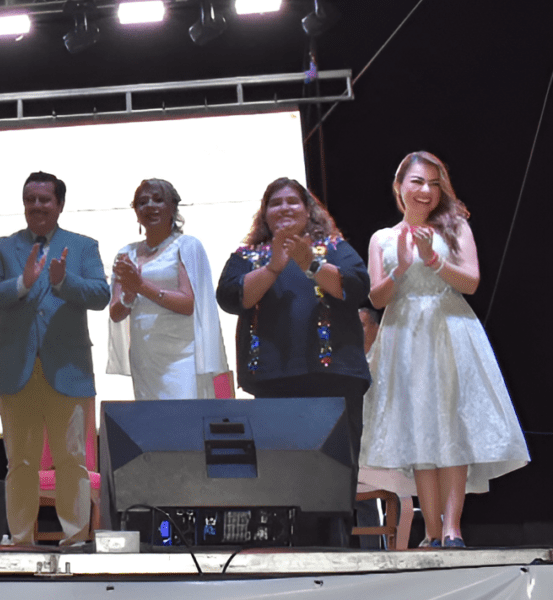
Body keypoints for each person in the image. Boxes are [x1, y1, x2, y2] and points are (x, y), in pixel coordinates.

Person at [359, 152, 529, 548]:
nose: (426, 191)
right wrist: (401, 268)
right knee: (419, 428)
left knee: (452, 425)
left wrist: (434, 260)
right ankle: (431, 531)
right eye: (418, 181)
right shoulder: (382, 238)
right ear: (400, 184)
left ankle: (452, 528)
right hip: (404, 335)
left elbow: (470, 282)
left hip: (450, 330)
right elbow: (378, 297)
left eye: (434, 184)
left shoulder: (455, 227)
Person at [216, 177, 370, 545]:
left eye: (292, 202)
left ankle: (337, 548)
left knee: (335, 468)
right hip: (274, 379)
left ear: (308, 210)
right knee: (278, 467)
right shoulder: (247, 256)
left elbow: (356, 288)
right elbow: (232, 297)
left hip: (335, 379)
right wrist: (273, 266)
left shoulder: (334, 247)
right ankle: (285, 547)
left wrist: (311, 263)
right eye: (275, 203)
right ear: (265, 214)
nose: (284, 208)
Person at [0, 171, 110, 547]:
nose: (37, 206)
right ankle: (20, 540)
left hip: (67, 367)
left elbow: (101, 295)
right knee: (21, 461)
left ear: (59, 204)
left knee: (71, 459)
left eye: (44, 200)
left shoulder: (82, 246)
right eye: (30, 199)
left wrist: (65, 282)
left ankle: (75, 539)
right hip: (16, 368)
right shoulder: (2, 248)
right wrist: (23, 283)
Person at [105, 179, 228, 400]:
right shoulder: (126, 253)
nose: (150, 206)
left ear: (173, 208)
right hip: (145, 357)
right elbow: (115, 313)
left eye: (158, 200)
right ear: (135, 211)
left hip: (182, 356)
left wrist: (141, 286)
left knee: (184, 421)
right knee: (153, 426)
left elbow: (188, 304)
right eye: (142, 202)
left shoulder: (186, 246)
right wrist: (129, 295)